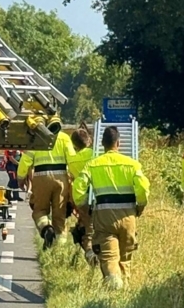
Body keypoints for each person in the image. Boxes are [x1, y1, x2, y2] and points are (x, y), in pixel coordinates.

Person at [72, 126, 150, 290]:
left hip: (104, 216)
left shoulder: (93, 165)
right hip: (128, 215)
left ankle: (115, 285)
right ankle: (124, 291)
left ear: (102, 144)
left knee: (108, 257)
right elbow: (143, 188)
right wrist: (140, 206)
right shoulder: (132, 164)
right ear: (119, 143)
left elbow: (78, 187)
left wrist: (83, 206)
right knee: (126, 257)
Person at [18, 116, 76, 249]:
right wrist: (74, 178)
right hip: (61, 177)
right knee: (59, 216)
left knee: (39, 211)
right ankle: (59, 250)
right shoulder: (64, 138)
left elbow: (26, 159)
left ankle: (46, 228)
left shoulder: (37, 137)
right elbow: (72, 160)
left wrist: (20, 178)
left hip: (41, 176)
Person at [67, 127, 96, 264]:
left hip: (82, 199)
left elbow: (72, 179)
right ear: (89, 141)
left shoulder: (72, 161)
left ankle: (90, 254)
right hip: (99, 196)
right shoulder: (96, 154)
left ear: (74, 145)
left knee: (87, 230)